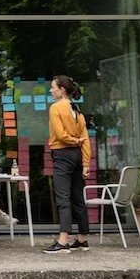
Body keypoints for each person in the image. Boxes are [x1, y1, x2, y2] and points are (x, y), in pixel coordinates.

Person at [44, 74, 91, 254]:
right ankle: (82, 239)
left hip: (62, 154)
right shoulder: (76, 109)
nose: (51, 90)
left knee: (63, 198)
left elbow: (60, 134)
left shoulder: (56, 108)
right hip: (77, 155)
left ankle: (63, 241)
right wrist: (86, 163)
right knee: (78, 197)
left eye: (53, 87)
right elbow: (85, 139)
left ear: (62, 90)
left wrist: (74, 140)